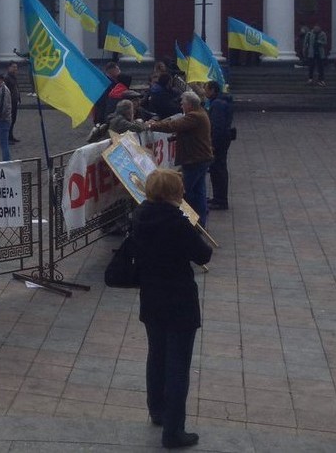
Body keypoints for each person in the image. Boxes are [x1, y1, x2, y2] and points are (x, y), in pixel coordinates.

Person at [130, 168, 212, 449]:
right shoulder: (177, 223)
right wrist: (188, 222)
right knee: (178, 365)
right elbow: (203, 254)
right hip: (178, 299)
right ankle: (174, 431)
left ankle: (157, 409)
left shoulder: (140, 217)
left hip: (151, 297)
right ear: (173, 194)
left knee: (157, 355)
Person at [146, 92, 213, 227]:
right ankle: (200, 222)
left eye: (182, 103)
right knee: (198, 191)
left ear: (189, 104)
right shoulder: (201, 113)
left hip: (194, 159)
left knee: (181, 190)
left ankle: (186, 222)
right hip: (201, 157)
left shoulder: (194, 116)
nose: (181, 106)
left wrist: (151, 125)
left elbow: (173, 126)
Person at [204, 81, 233, 211]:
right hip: (224, 140)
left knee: (217, 170)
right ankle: (218, 197)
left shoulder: (217, 104)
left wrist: (213, 144)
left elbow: (217, 126)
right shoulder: (221, 102)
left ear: (212, 90)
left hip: (219, 143)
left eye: (206, 90)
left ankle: (220, 200)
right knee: (218, 170)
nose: (205, 93)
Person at [5, 62, 22, 143]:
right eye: (14, 67)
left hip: (14, 101)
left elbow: (16, 88)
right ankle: (7, 137)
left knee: (13, 120)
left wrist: (18, 98)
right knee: (9, 120)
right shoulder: (6, 78)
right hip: (9, 102)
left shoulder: (14, 77)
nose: (16, 69)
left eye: (16, 67)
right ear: (9, 68)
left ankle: (11, 136)